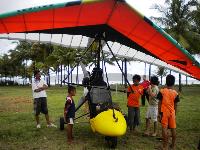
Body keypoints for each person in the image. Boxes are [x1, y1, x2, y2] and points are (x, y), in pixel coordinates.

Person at [157, 74, 180, 150]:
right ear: (173, 83)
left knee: (164, 129)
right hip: (172, 113)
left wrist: (159, 113)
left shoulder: (162, 91)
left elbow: (159, 103)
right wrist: (175, 114)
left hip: (164, 113)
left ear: (166, 82)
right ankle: (173, 146)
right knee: (173, 129)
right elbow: (176, 105)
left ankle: (165, 146)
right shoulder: (175, 93)